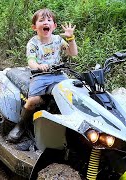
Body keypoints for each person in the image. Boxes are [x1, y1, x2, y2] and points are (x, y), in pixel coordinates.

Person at [7, 8, 78, 143]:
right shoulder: (33, 43)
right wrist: (39, 67)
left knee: (72, 96)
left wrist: (70, 38)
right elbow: (31, 62)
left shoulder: (58, 40)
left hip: (58, 75)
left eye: (49, 20)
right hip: (40, 76)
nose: (46, 22)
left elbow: (73, 53)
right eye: (42, 20)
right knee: (33, 100)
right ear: (34, 27)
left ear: (54, 26)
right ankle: (21, 125)